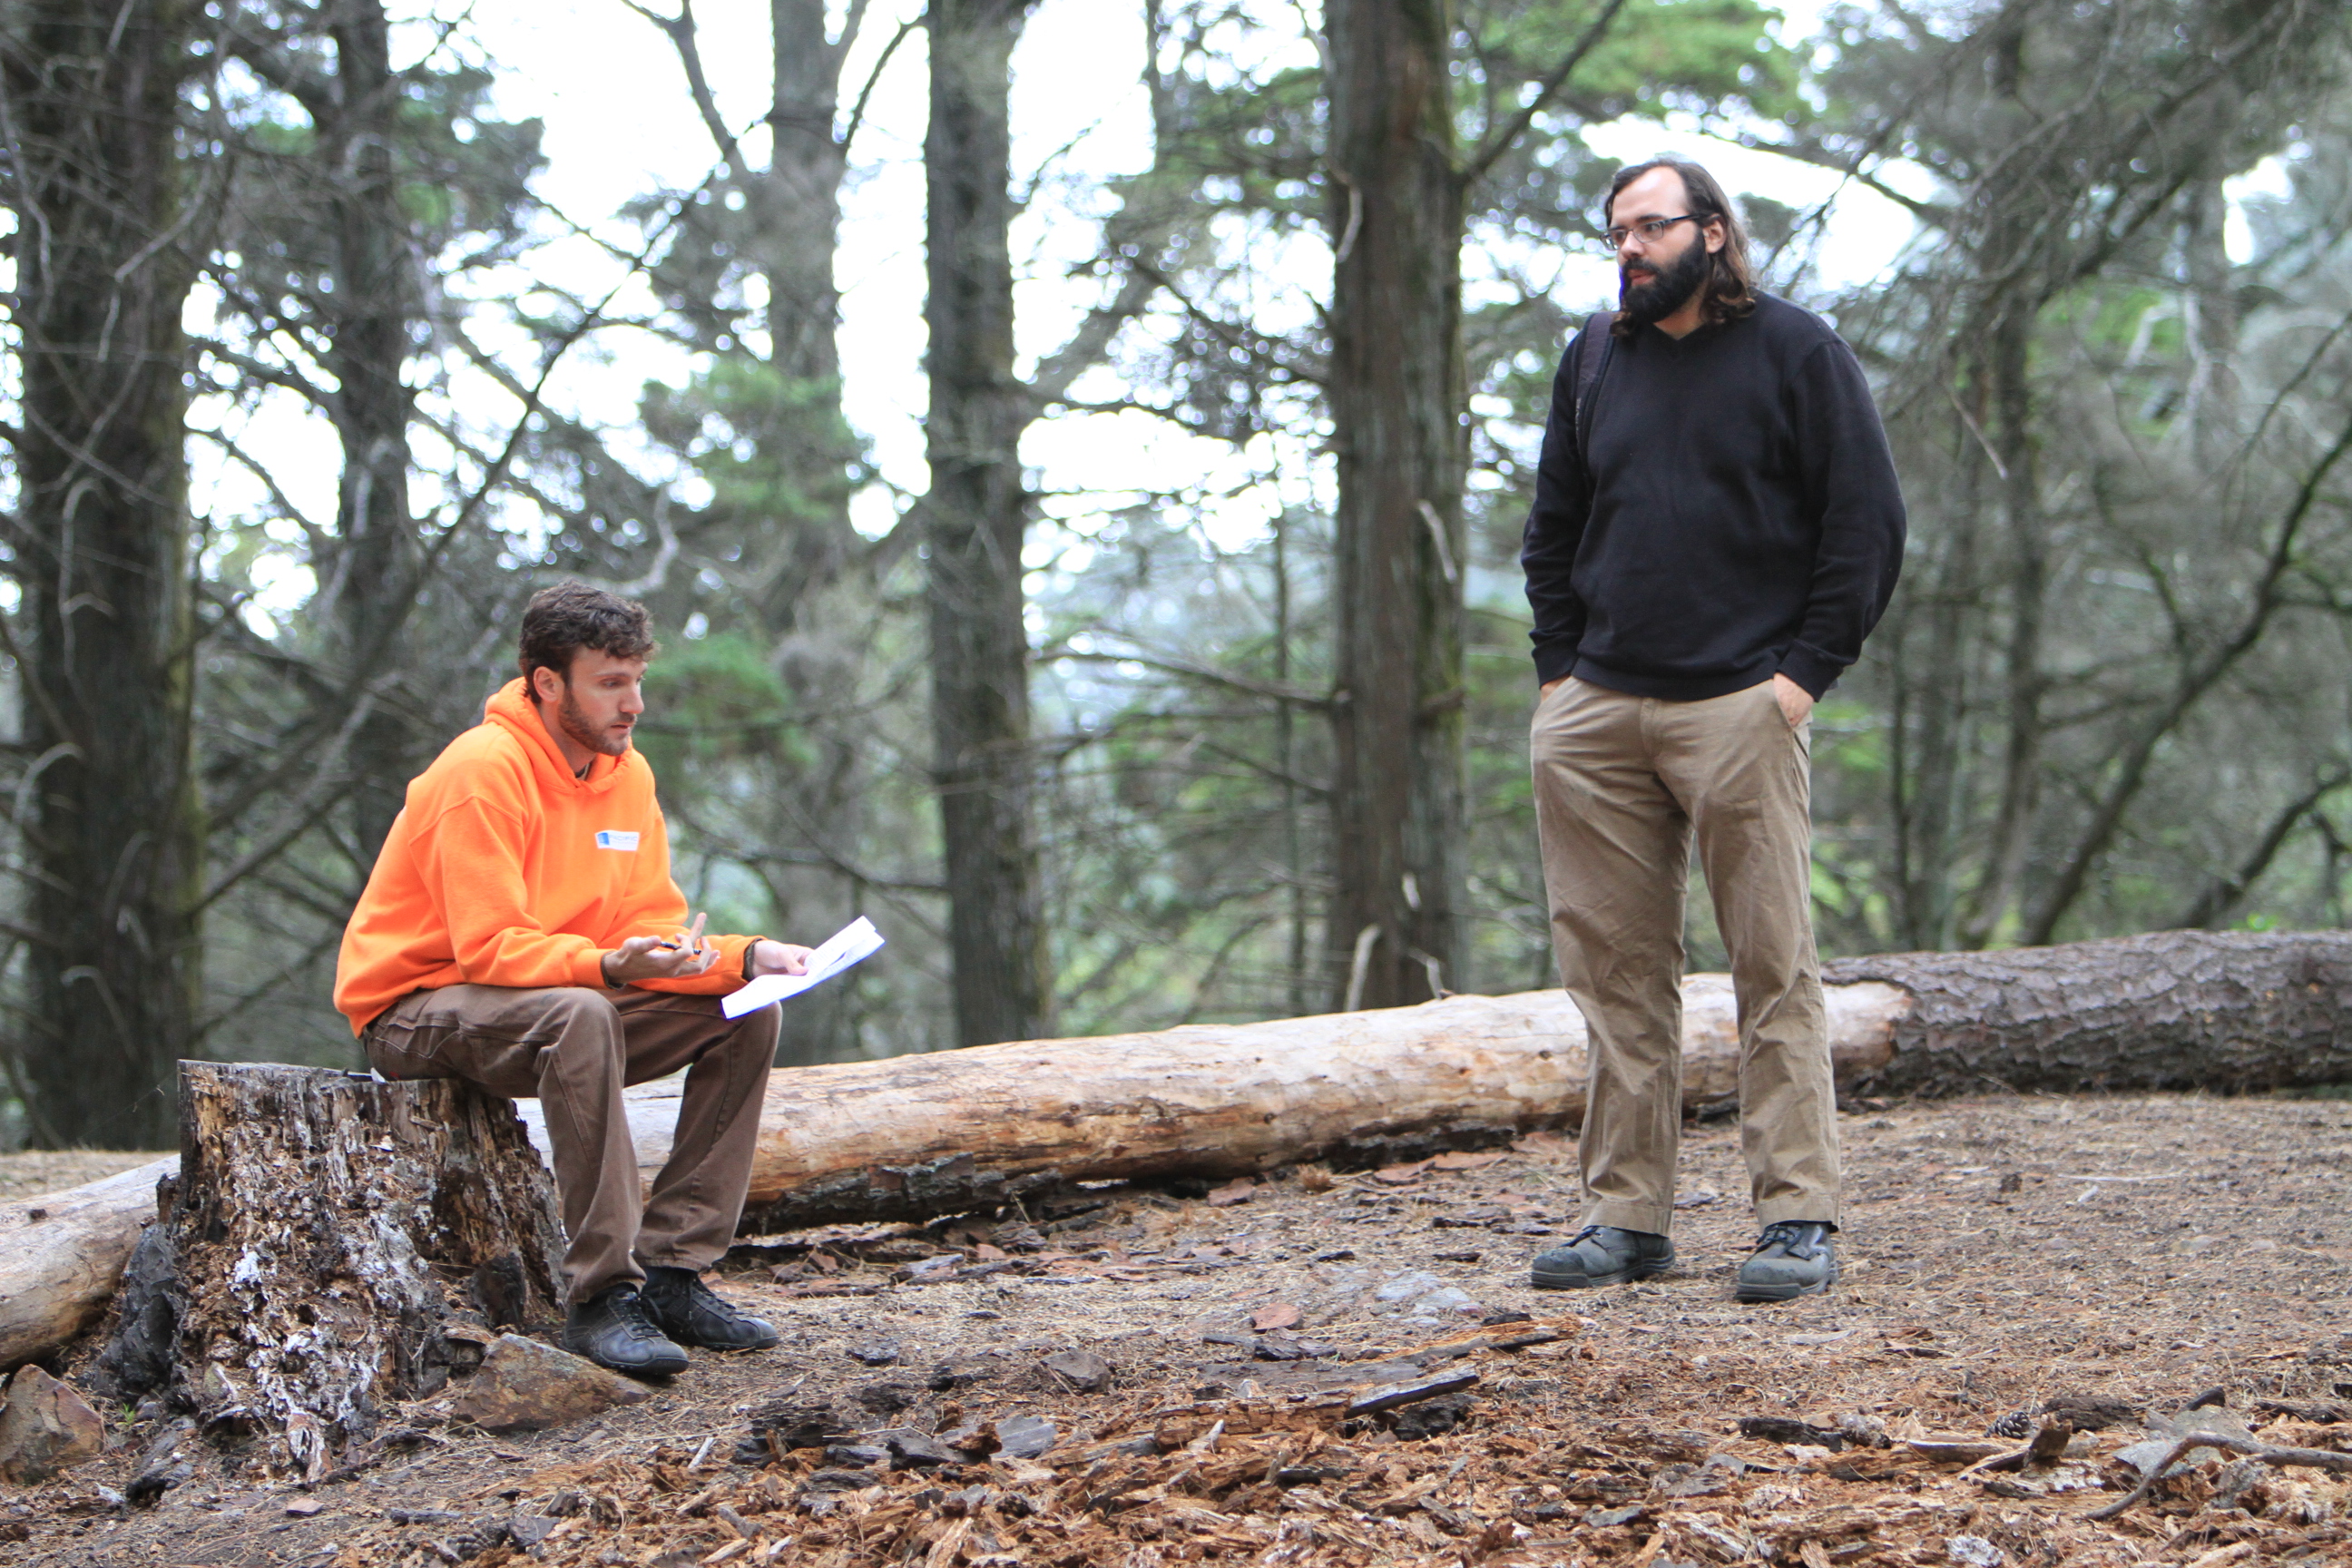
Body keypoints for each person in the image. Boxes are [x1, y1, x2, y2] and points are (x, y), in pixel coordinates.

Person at [1520, 158, 1906, 1303]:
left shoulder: (1798, 351)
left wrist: (1798, 681)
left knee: (1772, 967)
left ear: (1714, 234)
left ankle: (1797, 1218)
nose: (1629, 248)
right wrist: (1558, 677)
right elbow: (1554, 525)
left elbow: (1867, 522)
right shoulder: (1596, 356)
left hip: (1740, 704)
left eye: (1650, 226)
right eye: (1617, 232)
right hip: (1599, 714)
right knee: (1617, 977)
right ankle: (1626, 1218)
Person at [335, 583, 814, 1376]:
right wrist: (601, 966)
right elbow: (488, 948)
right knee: (581, 1016)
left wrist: (742, 958)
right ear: (546, 682)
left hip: (557, 991)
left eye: (637, 679)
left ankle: (672, 1273)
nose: (633, 704)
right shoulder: (483, 771)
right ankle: (600, 1297)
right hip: (416, 1004)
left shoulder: (627, 775)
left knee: (743, 1012)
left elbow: (648, 925)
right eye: (610, 682)